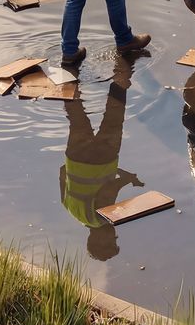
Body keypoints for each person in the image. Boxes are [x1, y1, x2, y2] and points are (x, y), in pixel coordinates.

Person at [58, 58, 140, 260]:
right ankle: (68, 75)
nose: (115, 235)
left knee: (114, 114)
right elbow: (62, 172)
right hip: (75, 156)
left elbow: (107, 190)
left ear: (99, 239)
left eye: (112, 241)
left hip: (103, 157)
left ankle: (122, 68)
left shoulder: (100, 219)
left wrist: (128, 180)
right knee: (75, 115)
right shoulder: (71, 210)